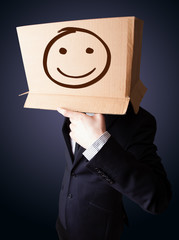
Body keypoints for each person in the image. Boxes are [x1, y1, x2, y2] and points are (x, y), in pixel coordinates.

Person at [56, 102, 172, 240]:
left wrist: (99, 145)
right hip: (63, 224)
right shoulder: (70, 101)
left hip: (99, 231)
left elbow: (158, 198)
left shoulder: (137, 120)